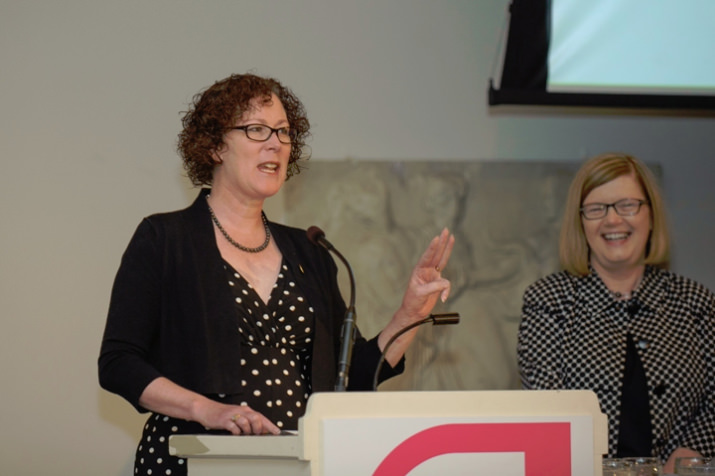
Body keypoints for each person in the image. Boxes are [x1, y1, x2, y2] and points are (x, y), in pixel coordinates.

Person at [98, 73, 455, 475]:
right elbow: (119, 363)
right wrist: (207, 409)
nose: (275, 143)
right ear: (215, 145)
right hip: (191, 459)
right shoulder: (165, 240)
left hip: (289, 464)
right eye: (256, 129)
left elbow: (349, 380)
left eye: (283, 132)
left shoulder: (310, 250)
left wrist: (409, 314)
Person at [517, 153, 715, 473]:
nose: (612, 220)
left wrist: (687, 457)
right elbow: (548, 409)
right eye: (596, 209)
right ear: (580, 222)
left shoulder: (696, 302)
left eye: (627, 205)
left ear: (650, 215)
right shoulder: (548, 301)